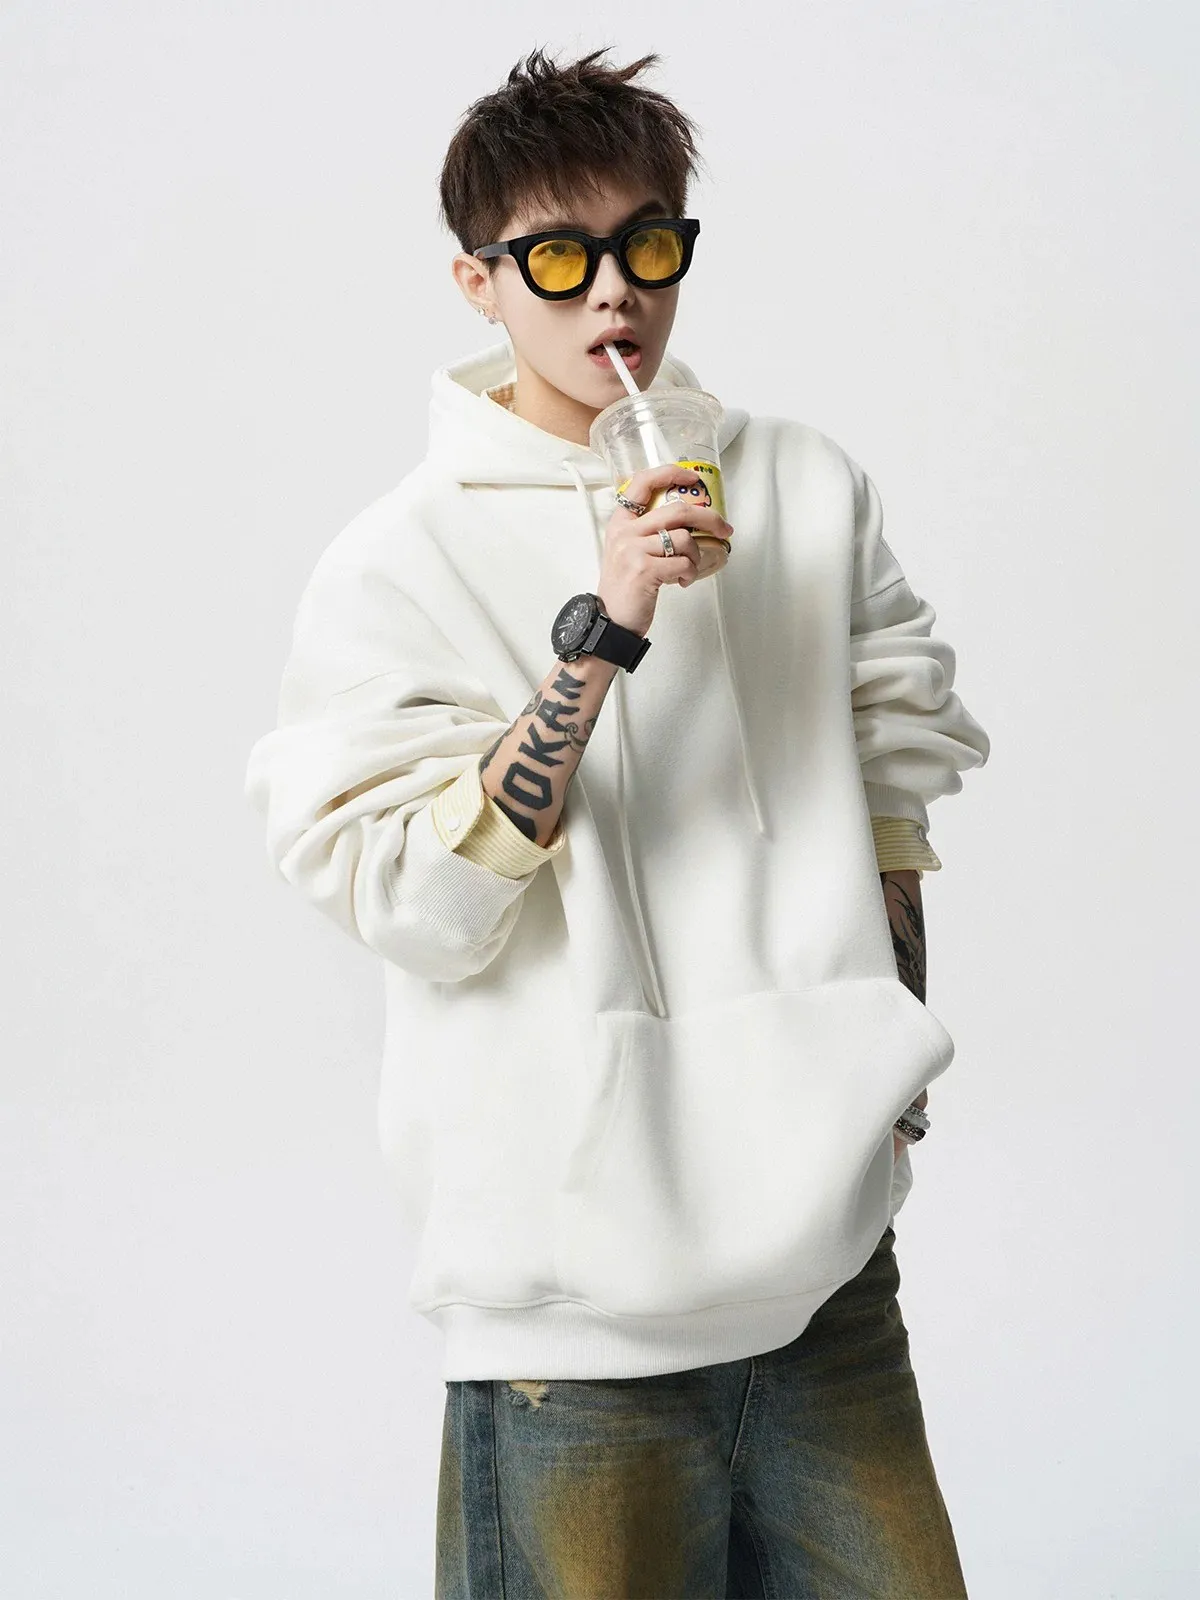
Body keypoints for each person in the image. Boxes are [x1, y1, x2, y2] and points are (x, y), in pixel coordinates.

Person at [245, 44, 990, 1600]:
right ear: (476, 281)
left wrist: (889, 1068)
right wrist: (606, 631)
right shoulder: (394, 561)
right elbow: (414, 906)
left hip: (826, 1281)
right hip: (569, 1320)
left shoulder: (803, 484)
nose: (613, 297)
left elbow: (892, 770)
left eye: (649, 246)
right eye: (558, 259)